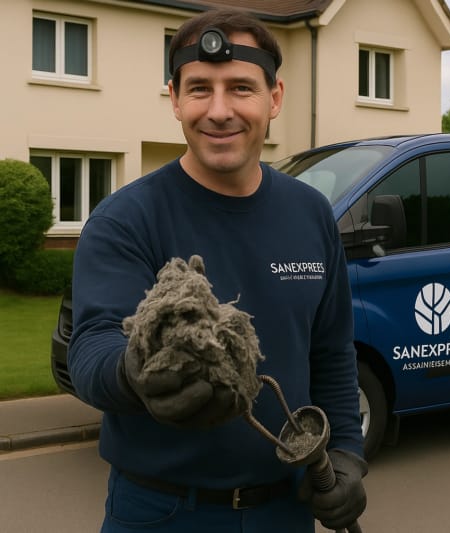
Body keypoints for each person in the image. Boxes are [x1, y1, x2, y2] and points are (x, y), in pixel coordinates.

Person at [68, 8, 366, 532]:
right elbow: (91, 349)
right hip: (161, 513)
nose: (220, 111)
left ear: (274, 98)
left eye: (241, 88)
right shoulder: (127, 218)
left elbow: (332, 351)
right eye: (200, 89)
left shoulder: (311, 212)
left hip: (285, 511)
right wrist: (134, 371)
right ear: (175, 99)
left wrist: (344, 453)